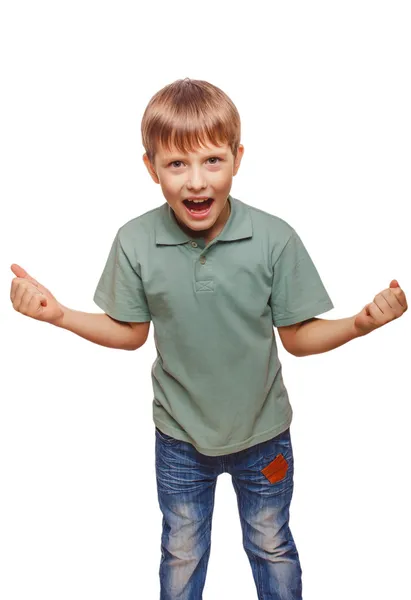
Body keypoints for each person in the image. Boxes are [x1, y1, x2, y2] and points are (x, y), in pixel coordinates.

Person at [10, 78, 408, 600]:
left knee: (272, 545)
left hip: (265, 437)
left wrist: (361, 323)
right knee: (182, 550)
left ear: (238, 158)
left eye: (212, 161)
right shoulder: (135, 241)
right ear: (151, 168)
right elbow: (130, 334)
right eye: (176, 164)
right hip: (179, 440)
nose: (196, 182)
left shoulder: (274, 238)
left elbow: (297, 337)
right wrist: (59, 314)